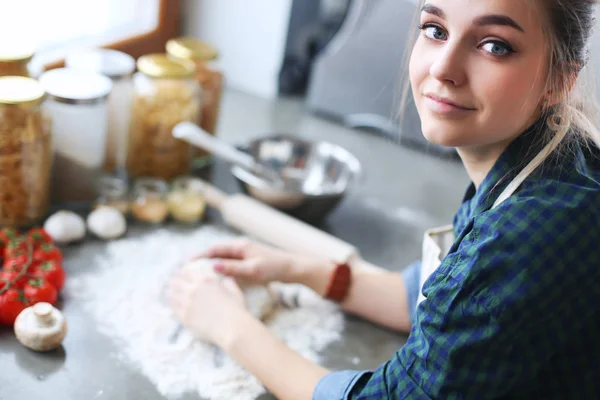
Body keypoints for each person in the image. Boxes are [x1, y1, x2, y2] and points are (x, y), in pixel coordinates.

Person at [166, 0, 600, 398]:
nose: (444, 68)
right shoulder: (552, 159)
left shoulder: (525, 237)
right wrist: (296, 269)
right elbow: (437, 299)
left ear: (559, 78)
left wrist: (230, 327)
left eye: (495, 46)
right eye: (435, 30)